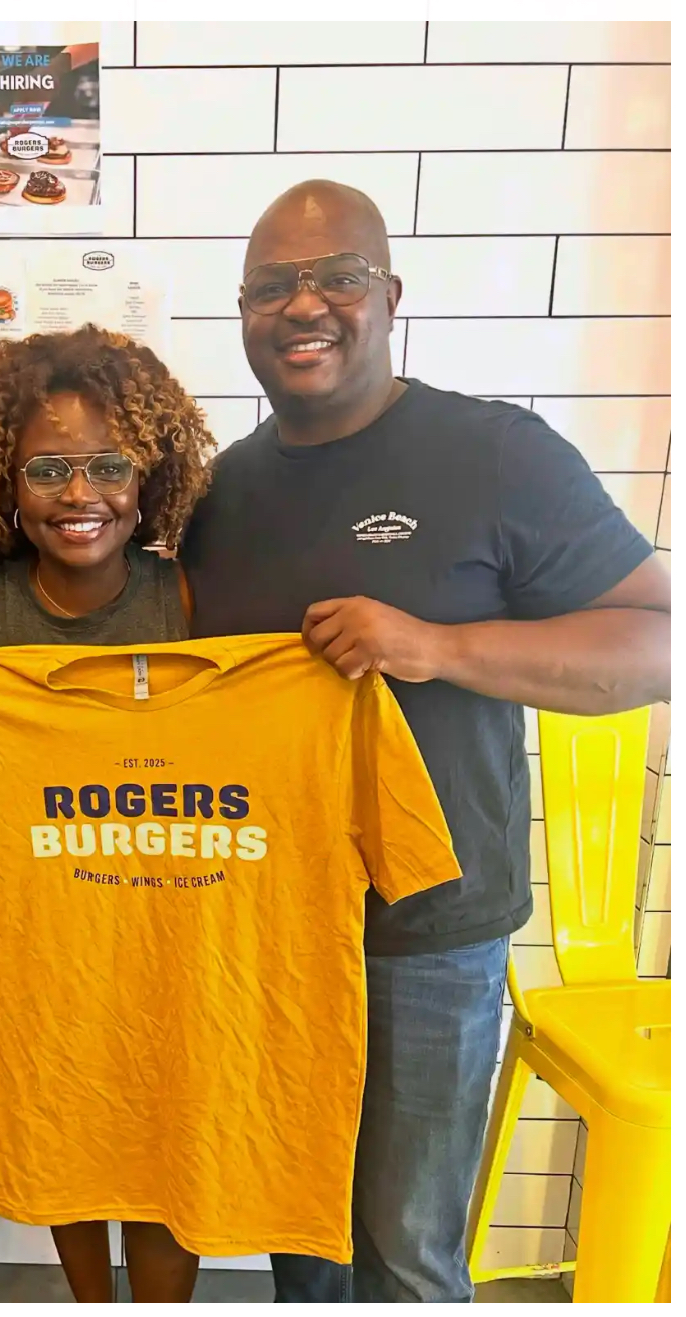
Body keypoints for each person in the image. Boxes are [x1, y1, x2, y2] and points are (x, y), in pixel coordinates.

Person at [180, 180, 671, 1303]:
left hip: (432, 937)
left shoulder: (494, 453)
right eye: (272, 286)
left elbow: (655, 647)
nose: (304, 304)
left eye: (337, 277)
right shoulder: (222, 490)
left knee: (406, 1252)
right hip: (273, 931)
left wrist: (436, 647)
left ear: (390, 295)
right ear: (244, 312)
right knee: (304, 1240)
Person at [0, 324, 215, 1301]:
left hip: (169, 930)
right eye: (47, 469)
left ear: (148, 478)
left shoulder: (185, 597)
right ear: (4, 485)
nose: (79, 493)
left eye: (109, 465)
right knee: (69, 1138)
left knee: (166, 1147)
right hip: (41, 942)